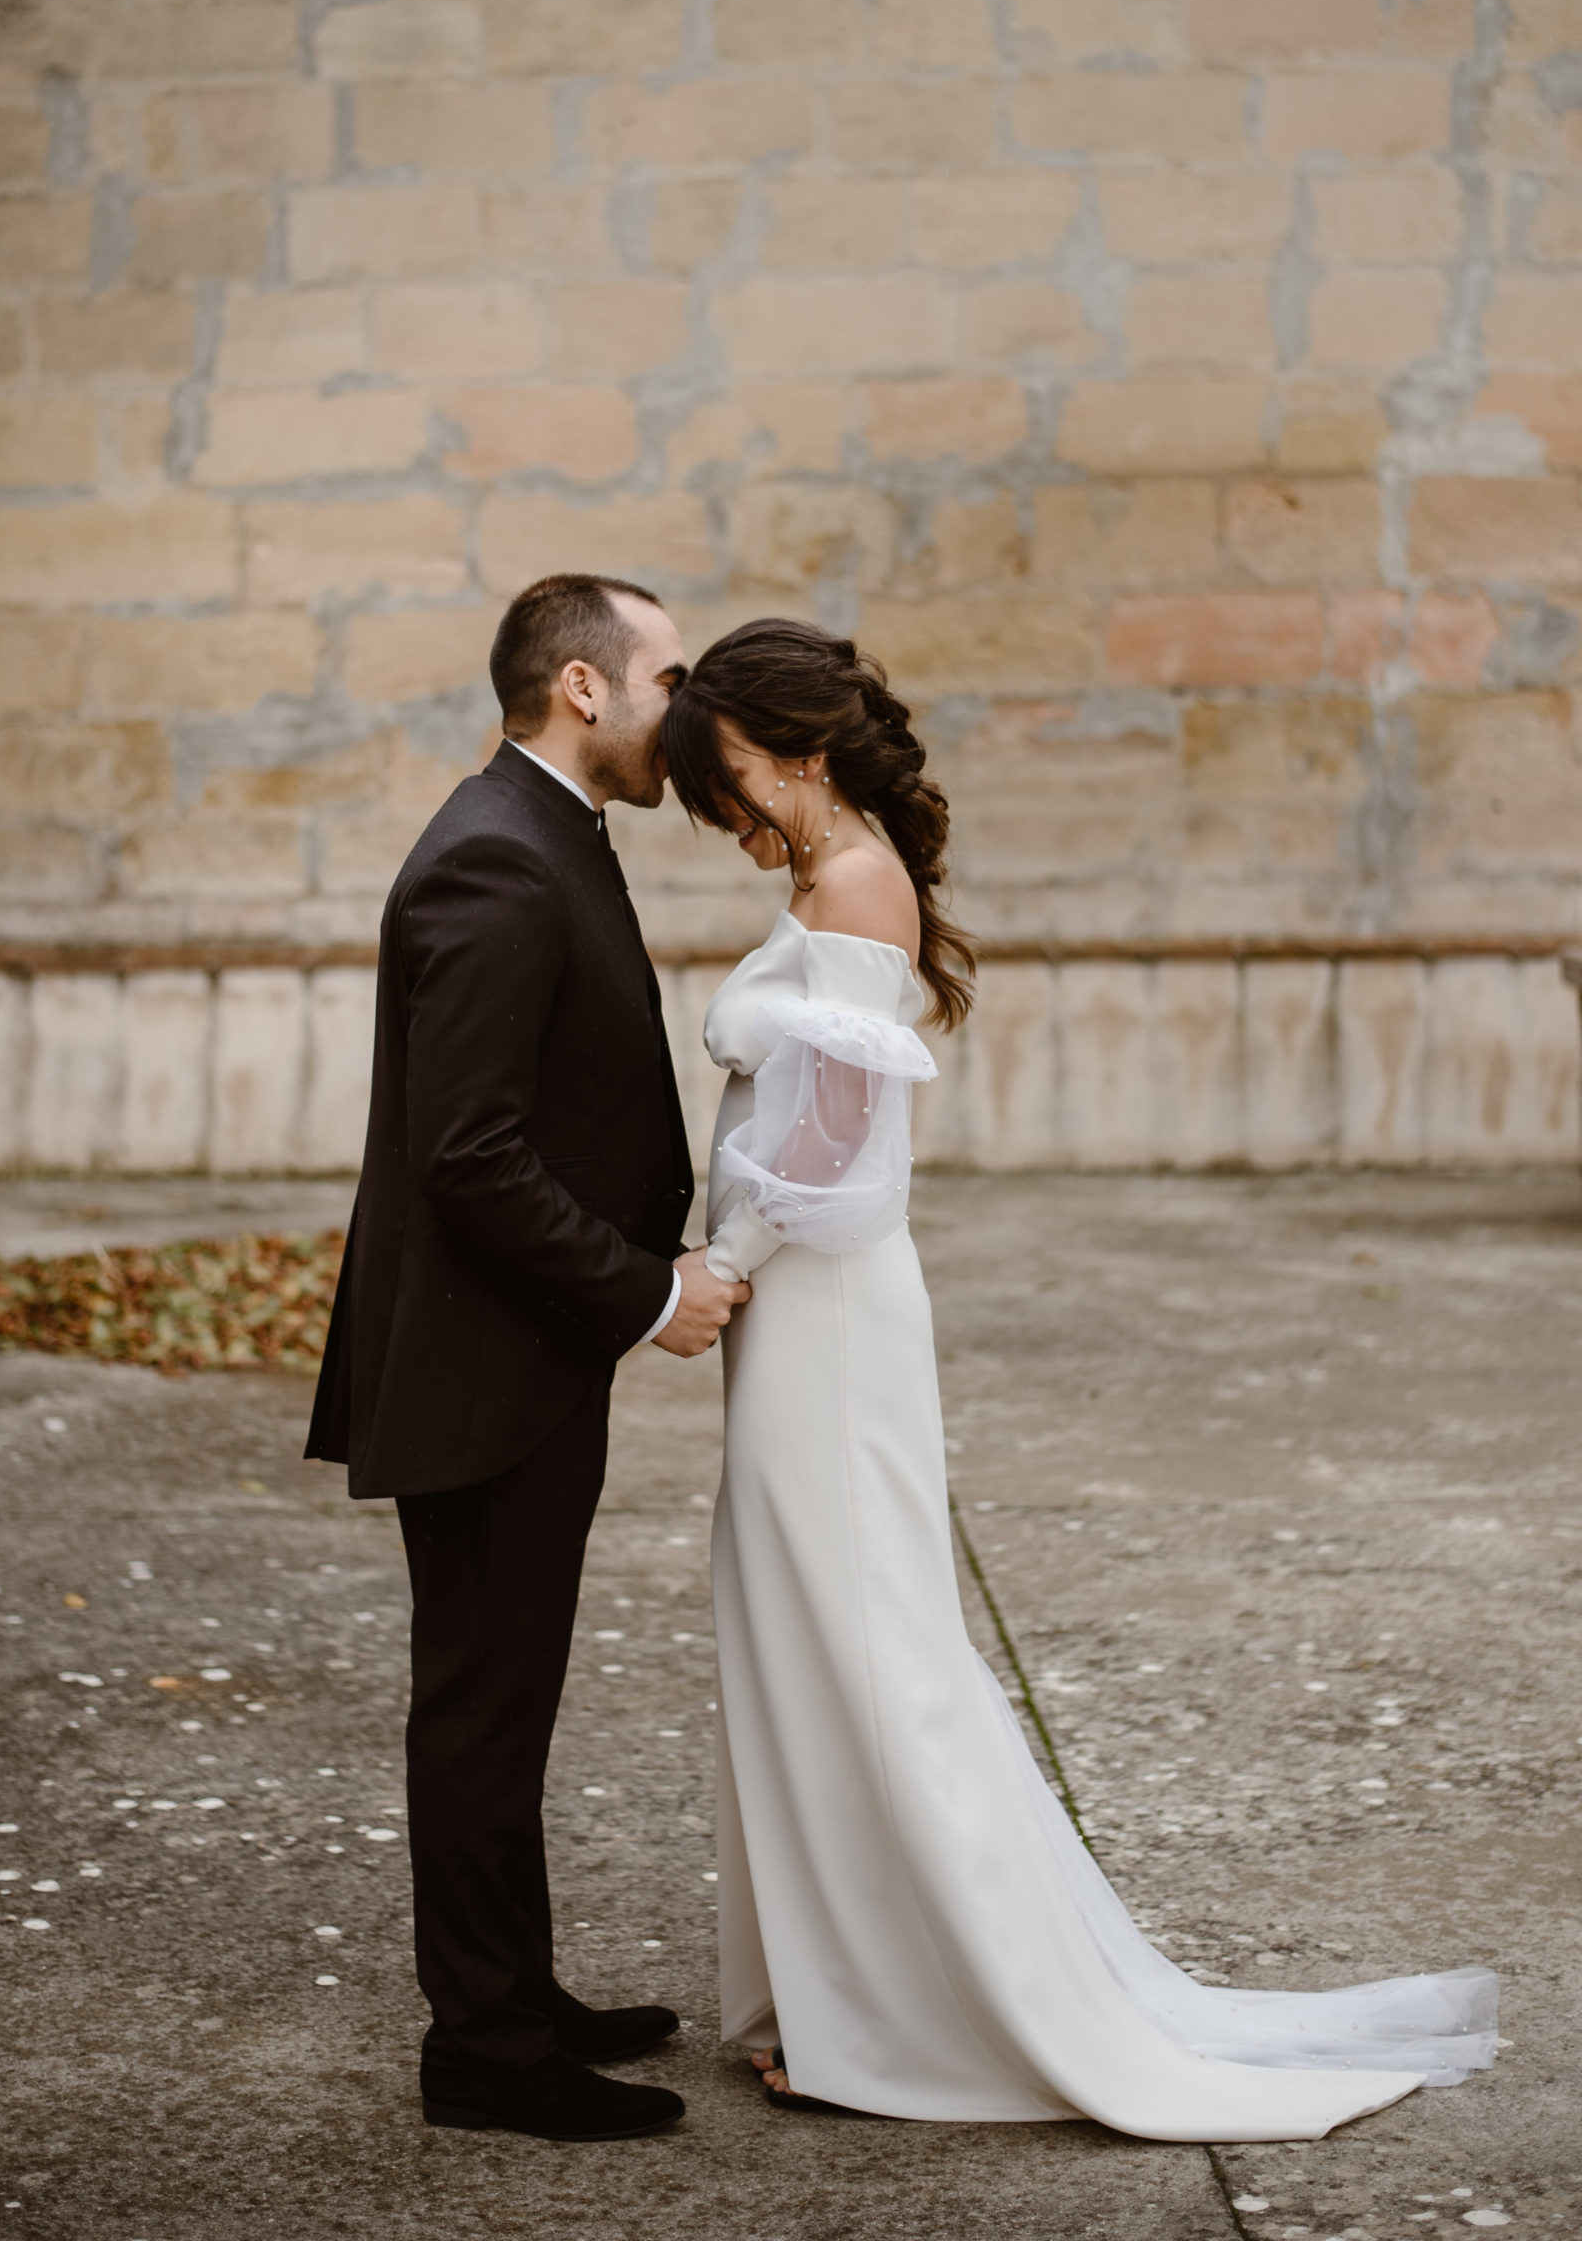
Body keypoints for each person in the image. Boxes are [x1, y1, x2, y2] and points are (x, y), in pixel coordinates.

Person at [661, 616, 1498, 2137]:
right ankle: (846, 1990)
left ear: (796, 745)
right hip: (804, 1308)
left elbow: (838, 1136)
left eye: (722, 777)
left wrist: (727, 1269)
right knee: (806, 1636)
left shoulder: (850, 875)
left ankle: (912, 2010)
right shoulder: (825, 871)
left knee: (868, 1650)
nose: (718, 812)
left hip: (821, 1309)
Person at [306, 572, 748, 2145]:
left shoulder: (543, 829)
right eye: (669, 677)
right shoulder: (495, 859)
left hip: (526, 1354)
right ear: (581, 688)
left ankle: (519, 1991)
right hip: (487, 1364)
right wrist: (641, 1291)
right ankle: (485, 2053)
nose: (686, 706)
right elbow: (470, 1158)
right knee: (482, 1706)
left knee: (507, 1692)